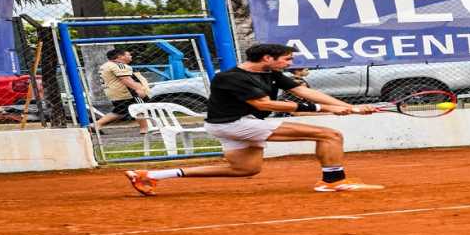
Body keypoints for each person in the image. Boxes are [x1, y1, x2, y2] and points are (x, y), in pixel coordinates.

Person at [125, 43, 383, 195]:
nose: (290, 62)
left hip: (229, 125)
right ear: (268, 58)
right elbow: (264, 104)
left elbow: (303, 91)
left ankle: (150, 175)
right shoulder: (232, 77)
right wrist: (323, 110)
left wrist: (351, 107)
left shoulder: (271, 73)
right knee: (329, 135)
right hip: (236, 124)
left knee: (246, 169)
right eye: (287, 59)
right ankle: (334, 182)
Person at [95, 49, 151, 134]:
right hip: (127, 93)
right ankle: (145, 128)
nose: (130, 56)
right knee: (139, 108)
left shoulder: (105, 65)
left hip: (114, 93)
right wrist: (139, 89)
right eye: (128, 55)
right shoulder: (119, 65)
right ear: (120, 57)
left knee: (120, 112)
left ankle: (95, 125)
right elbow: (126, 79)